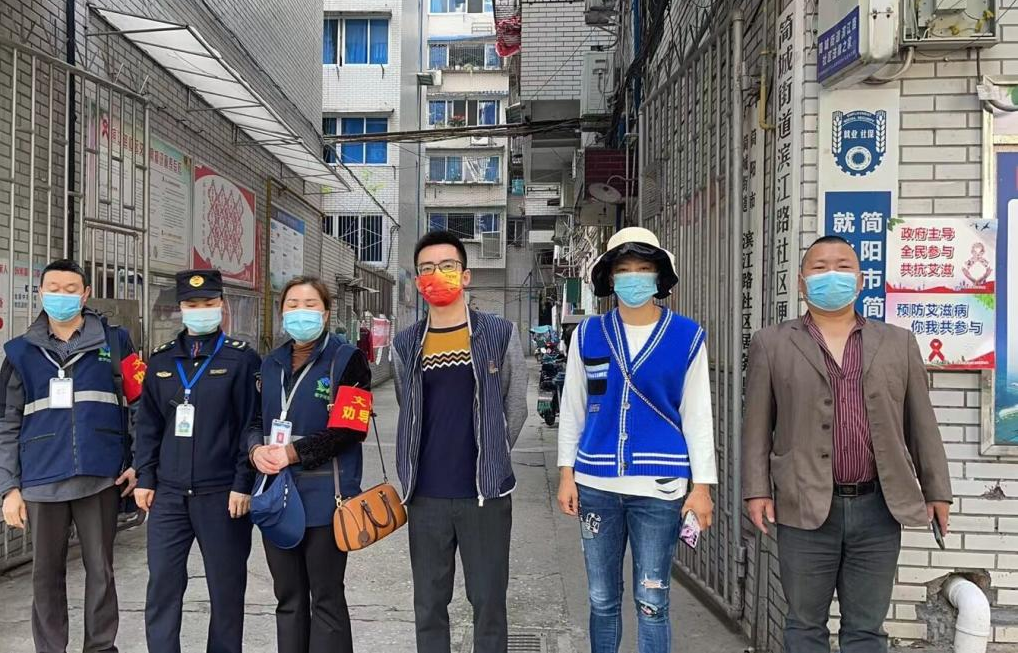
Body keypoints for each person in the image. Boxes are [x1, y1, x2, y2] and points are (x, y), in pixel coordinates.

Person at [742, 235, 953, 653]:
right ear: (801, 282)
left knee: (866, 628)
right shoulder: (772, 343)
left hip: (878, 508)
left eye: (842, 266)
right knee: (804, 624)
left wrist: (937, 492)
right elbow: (757, 427)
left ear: (860, 280)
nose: (831, 275)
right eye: (819, 267)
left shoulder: (897, 342)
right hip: (803, 504)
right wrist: (757, 490)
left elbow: (921, 423)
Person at [555, 227, 717, 653]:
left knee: (652, 602)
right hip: (596, 485)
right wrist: (567, 474)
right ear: (609, 277)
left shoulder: (686, 337)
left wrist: (701, 487)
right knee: (601, 599)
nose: (633, 277)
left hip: (660, 489)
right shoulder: (588, 334)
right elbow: (574, 408)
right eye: (624, 269)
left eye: (643, 268)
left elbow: (698, 415)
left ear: (659, 275)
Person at [0, 259, 141, 653]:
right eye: (53, 288)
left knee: (101, 572)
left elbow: (142, 406)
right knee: (45, 576)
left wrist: (138, 462)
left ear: (85, 293)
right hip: (41, 479)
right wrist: (9, 487)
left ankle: (100, 648)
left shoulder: (116, 342)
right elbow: (4, 423)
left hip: (101, 476)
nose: (62, 295)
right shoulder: (19, 352)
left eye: (71, 289)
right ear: (41, 293)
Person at [391, 230, 528, 653]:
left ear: (465, 275)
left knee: (489, 604)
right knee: (429, 606)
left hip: (485, 497)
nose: (437, 275)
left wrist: (492, 455)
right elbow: (408, 405)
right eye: (427, 269)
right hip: (425, 497)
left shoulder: (499, 333)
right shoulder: (406, 344)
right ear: (418, 282)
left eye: (447, 266)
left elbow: (515, 406)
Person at [132, 269, 260, 653]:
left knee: (226, 589)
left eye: (208, 303)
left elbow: (251, 425)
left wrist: (243, 483)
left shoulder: (241, 360)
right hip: (169, 495)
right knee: (162, 586)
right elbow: (148, 424)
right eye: (192, 304)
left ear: (221, 305)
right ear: (181, 308)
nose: (200, 310)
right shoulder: (161, 360)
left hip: (222, 495)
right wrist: (145, 477)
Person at [250, 276, 372, 653]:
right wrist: (255, 450)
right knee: (288, 598)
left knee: (326, 596)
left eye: (310, 305)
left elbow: (350, 429)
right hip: (276, 497)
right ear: (281, 312)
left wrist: (293, 453)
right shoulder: (270, 364)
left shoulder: (347, 359)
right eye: (292, 305)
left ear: (326, 312)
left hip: (326, 498)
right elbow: (254, 421)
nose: (300, 312)